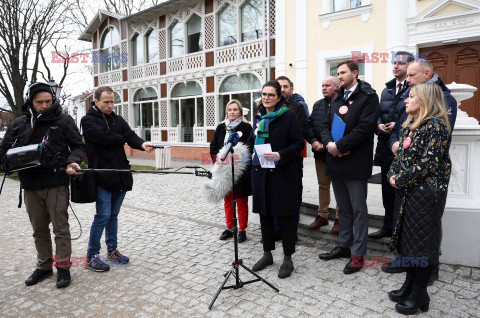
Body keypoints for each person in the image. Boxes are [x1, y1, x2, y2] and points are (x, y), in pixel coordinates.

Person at [0, 82, 84, 288]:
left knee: (60, 229)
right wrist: (8, 162)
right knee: (38, 229)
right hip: (29, 185)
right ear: (31, 102)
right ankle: (44, 266)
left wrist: (73, 161)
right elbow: (3, 151)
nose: (45, 106)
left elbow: (78, 146)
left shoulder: (63, 121)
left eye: (48, 101)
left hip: (56, 182)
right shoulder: (19, 124)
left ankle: (63, 268)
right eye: (40, 102)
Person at [385, 59, 457, 281]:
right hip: (408, 178)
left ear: (427, 74)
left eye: (412, 75)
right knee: (410, 230)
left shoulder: (442, 102)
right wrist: (395, 145)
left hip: (424, 184)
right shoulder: (411, 99)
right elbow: (402, 124)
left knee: (426, 232)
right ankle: (411, 273)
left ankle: (427, 271)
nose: (407, 81)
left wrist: (403, 175)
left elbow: (432, 153)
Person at [82, 86, 153, 272]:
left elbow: (129, 136)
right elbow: (103, 137)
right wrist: (122, 138)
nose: (110, 105)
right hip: (102, 176)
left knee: (113, 216)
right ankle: (91, 256)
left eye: (112, 101)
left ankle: (112, 250)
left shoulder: (117, 119)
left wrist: (142, 143)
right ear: (95, 102)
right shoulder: (87, 120)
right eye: (106, 102)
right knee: (102, 216)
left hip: (120, 175)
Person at [318, 61, 379, 274]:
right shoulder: (338, 97)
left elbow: (366, 128)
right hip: (336, 161)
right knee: (343, 209)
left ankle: (358, 255)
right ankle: (344, 247)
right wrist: (329, 145)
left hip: (355, 162)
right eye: (337, 73)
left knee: (358, 210)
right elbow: (325, 125)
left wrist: (340, 146)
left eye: (343, 72)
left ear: (355, 73)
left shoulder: (368, 97)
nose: (340, 76)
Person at [247, 81, 304, 279]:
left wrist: (281, 155)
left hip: (282, 173)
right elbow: (251, 142)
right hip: (260, 173)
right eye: (264, 94)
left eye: (271, 95)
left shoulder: (288, 116)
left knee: (286, 217)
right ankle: (267, 254)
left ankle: (288, 258)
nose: (266, 98)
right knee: (265, 215)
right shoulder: (258, 116)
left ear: (279, 97)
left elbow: (298, 143)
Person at [369, 51, 415, 240]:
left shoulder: (415, 89)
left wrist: (399, 127)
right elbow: (379, 113)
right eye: (394, 63)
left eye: (401, 64)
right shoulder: (387, 90)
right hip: (385, 146)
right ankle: (387, 225)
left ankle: (401, 232)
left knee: (402, 191)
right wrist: (378, 125)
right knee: (387, 190)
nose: (396, 66)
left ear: (410, 67)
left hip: (404, 147)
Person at [210, 100, 252, 243]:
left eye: (235, 109)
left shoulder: (246, 127)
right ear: (226, 112)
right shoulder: (221, 128)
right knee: (227, 201)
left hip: (239, 170)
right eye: (230, 109)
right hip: (224, 170)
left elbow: (248, 147)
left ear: (240, 112)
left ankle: (242, 229)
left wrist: (235, 160)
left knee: (241, 201)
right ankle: (229, 228)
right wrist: (220, 161)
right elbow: (214, 146)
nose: (232, 112)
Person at [275, 76, 310, 239]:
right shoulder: (268, 107)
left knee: (293, 193)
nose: (282, 89)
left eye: (285, 86)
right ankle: (275, 229)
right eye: (279, 86)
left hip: (292, 158)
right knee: (274, 193)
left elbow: (302, 130)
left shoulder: (298, 107)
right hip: (272, 158)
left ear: (291, 89)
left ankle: (291, 231)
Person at [307, 76, 340, 233]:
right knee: (323, 186)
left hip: (338, 154)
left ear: (337, 87)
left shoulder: (343, 103)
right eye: (322, 85)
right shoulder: (318, 105)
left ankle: (340, 218)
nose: (324, 88)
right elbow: (310, 126)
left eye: (327, 85)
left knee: (340, 187)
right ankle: (322, 215)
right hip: (320, 155)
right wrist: (313, 141)